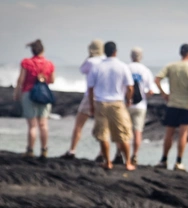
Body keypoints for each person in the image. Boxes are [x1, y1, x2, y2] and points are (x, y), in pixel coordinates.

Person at [87, 41, 135, 171]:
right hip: (117, 103)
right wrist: (128, 99)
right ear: (115, 51)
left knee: (103, 134)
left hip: (100, 102)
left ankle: (108, 162)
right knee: (123, 133)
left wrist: (91, 105)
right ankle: (128, 162)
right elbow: (130, 87)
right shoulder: (122, 66)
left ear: (104, 52)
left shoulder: (97, 67)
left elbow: (90, 88)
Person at [154, 43, 188, 171]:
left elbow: (157, 79)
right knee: (183, 134)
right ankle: (178, 162)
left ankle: (164, 159)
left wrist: (163, 93)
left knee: (169, 133)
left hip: (172, 103)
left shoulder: (171, 66)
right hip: (186, 105)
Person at [61, 40, 105, 160]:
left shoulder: (90, 61)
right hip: (103, 97)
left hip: (89, 96)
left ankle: (72, 150)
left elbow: (82, 70)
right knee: (102, 126)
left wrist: (89, 56)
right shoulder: (105, 61)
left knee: (79, 125)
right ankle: (102, 153)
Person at [14, 39, 55, 159]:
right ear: (43, 50)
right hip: (44, 95)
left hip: (28, 93)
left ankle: (30, 150)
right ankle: (44, 150)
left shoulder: (26, 62)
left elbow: (21, 79)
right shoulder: (49, 64)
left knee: (32, 125)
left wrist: (17, 92)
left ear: (32, 51)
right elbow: (52, 80)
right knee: (43, 124)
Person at [112, 47, 154, 166]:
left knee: (122, 131)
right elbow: (150, 91)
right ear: (141, 57)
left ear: (131, 56)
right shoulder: (146, 70)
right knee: (138, 132)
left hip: (126, 104)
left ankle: (119, 154)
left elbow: (120, 86)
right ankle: (134, 155)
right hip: (140, 105)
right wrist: (143, 95)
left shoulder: (126, 68)